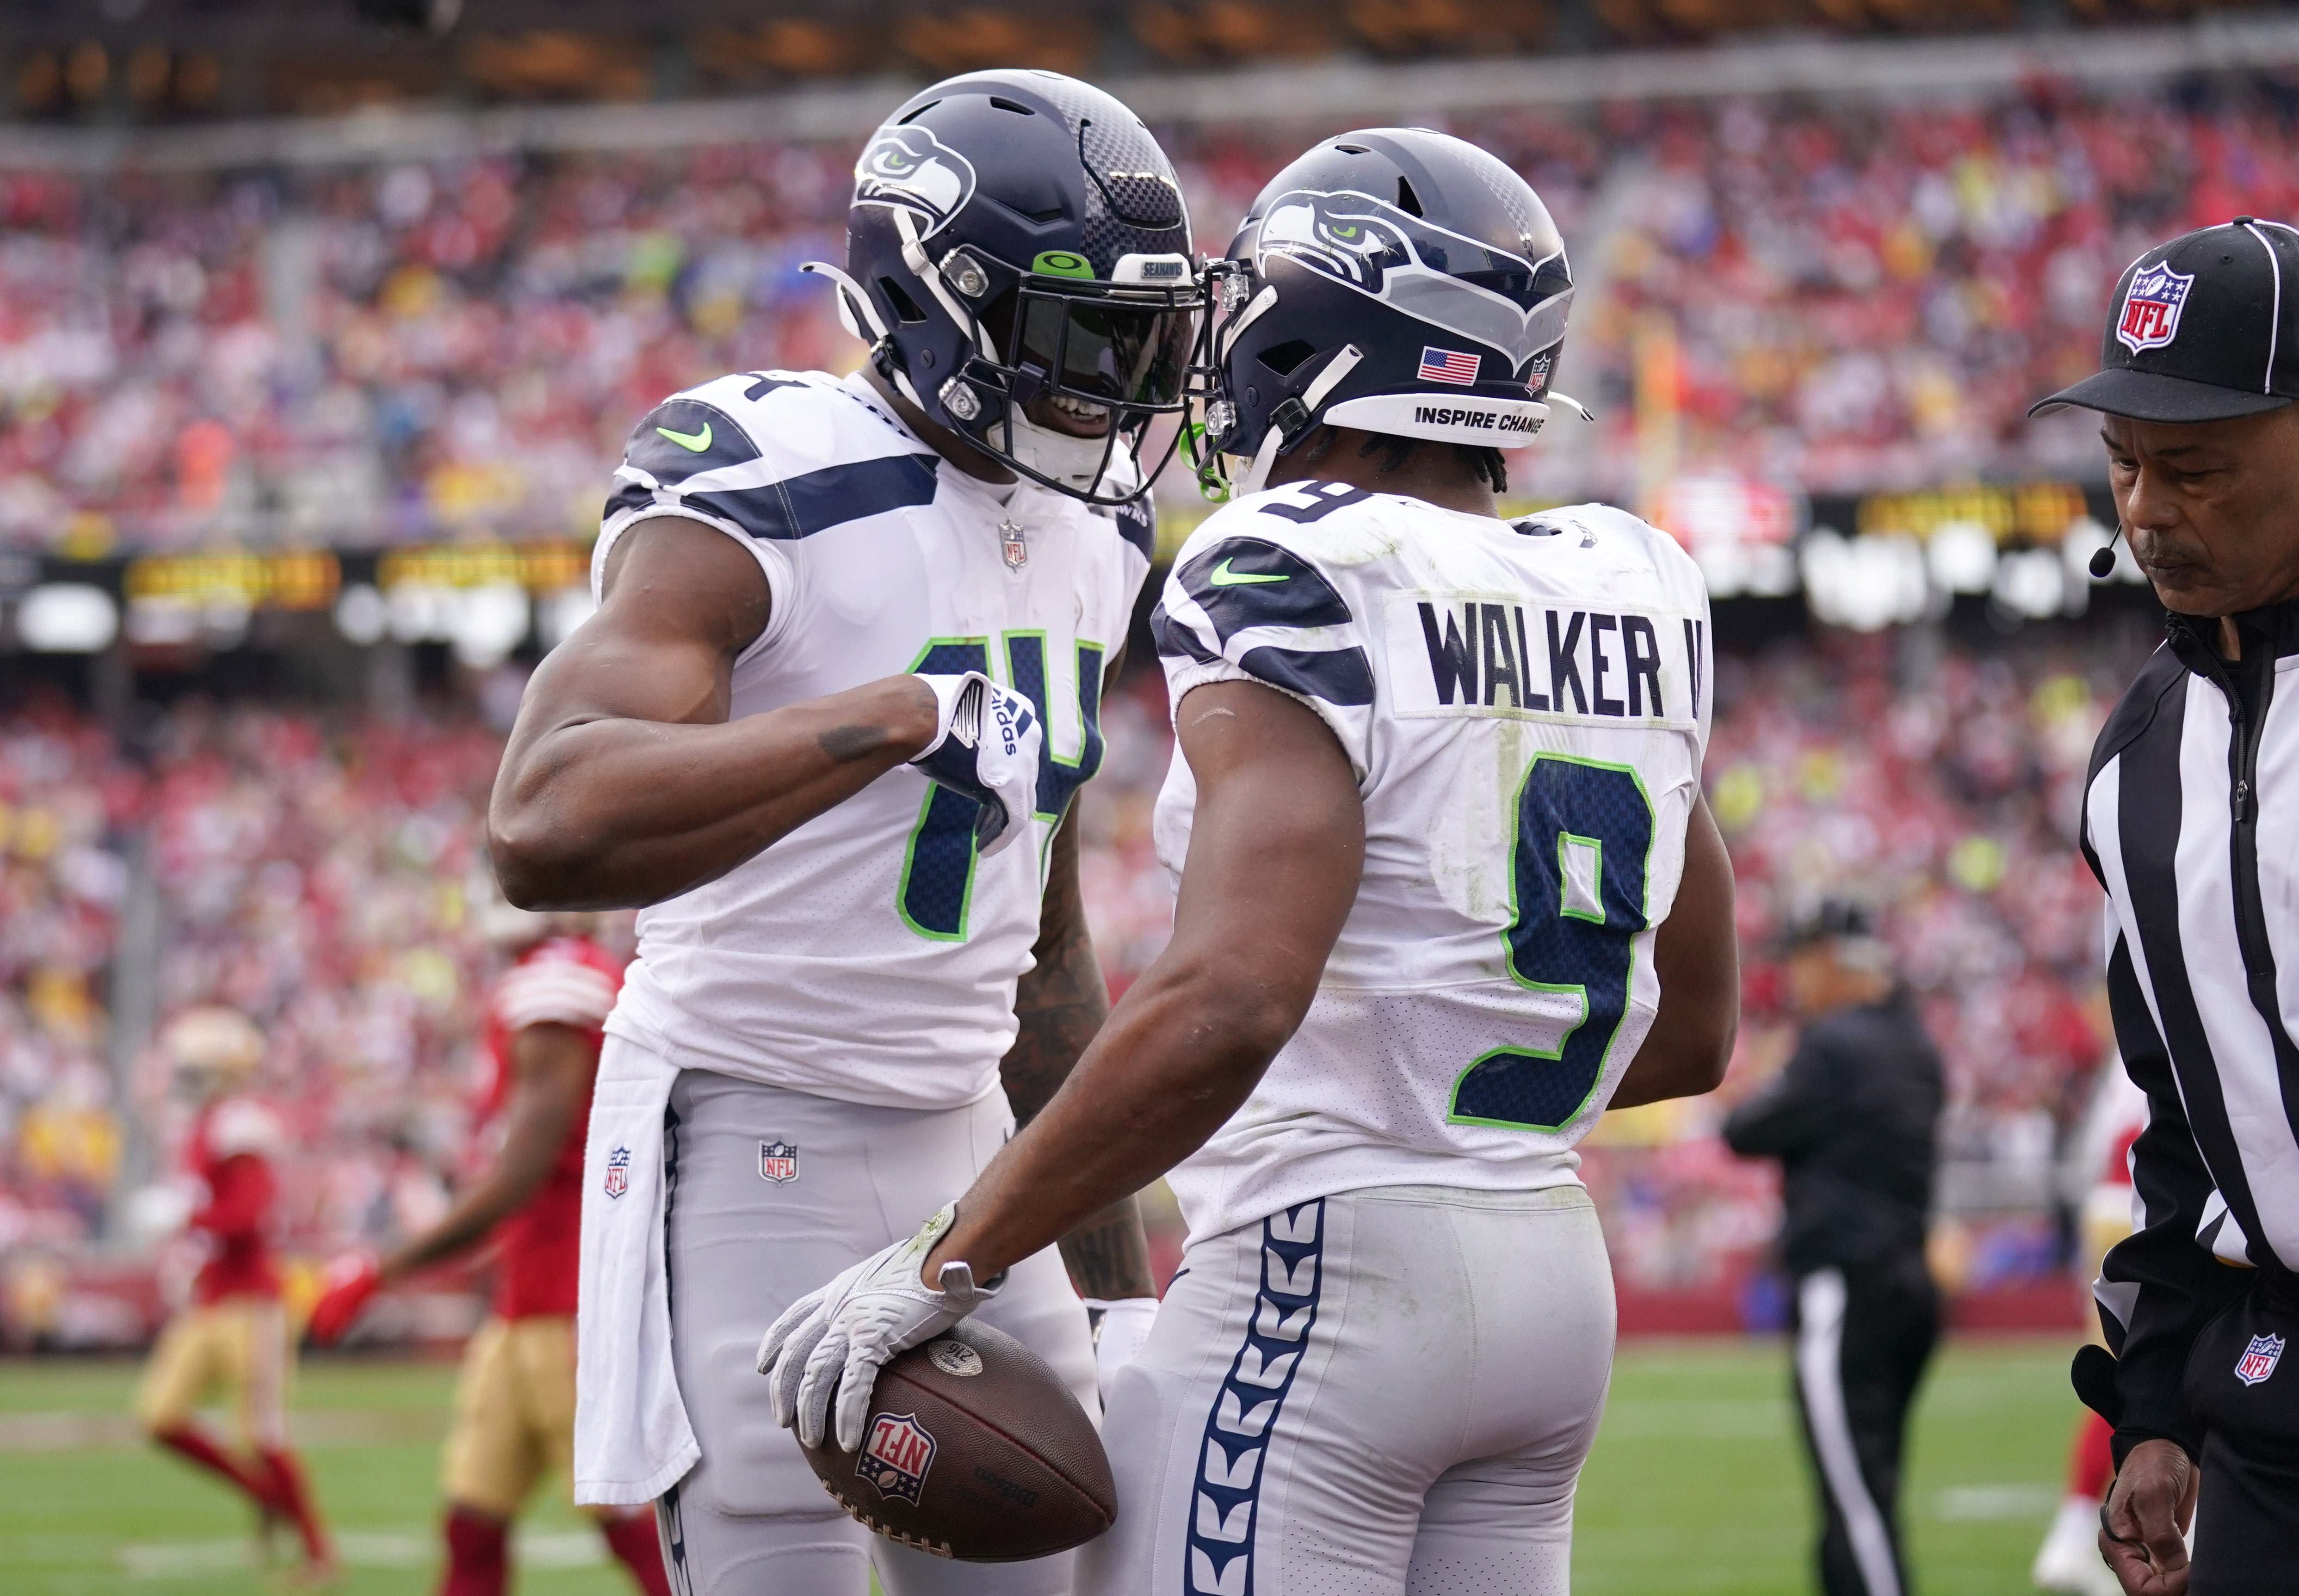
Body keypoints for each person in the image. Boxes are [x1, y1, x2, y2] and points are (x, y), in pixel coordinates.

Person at [761, 127, 1741, 1596]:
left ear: (1309, 334)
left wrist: (944, 1257)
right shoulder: (1633, 572)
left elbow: (1228, 1000)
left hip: (1333, 1279)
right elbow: (1697, 1026)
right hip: (1550, 1266)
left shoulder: (1288, 558)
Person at [485, 68, 1202, 1596]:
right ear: (933, 303)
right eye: (1083, 335)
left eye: (1144, 336)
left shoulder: (1096, 534)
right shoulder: (761, 476)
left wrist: (1113, 1282)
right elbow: (540, 823)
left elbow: (1040, 946)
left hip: (973, 1158)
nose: (1118, 386)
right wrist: (888, 719)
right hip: (754, 1135)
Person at [2031, 217, 2299, 1595]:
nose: (2146, 512)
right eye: (2124, 465)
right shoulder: (2136, 761)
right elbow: (2187, 1119)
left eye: (2194, 470)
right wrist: (2160, 1405)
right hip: (2287, 1417)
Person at [307, 887, 668, 1596]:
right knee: (474, 1517)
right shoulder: (562, 974)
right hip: (528, 1298)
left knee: (626, 1517)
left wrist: (378, 1271)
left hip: (573, 1299)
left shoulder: (556, 982)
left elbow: (521, 1174)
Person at [1721, 901, 1944, 1596]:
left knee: (1855, 1504)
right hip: (1907, 1279)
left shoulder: (1834, 1045)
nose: (1794, 978)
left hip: (1844, 1286)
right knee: (1862, 1488)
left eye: (1801, 960)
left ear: (1831, 958)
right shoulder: (1914, 1041)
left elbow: (1743, 1128)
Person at [136, 1005, 335, 1587]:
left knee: (266, 1435)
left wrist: (187, 1216)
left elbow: (247, 1216)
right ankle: (264, 1496)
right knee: (161, 1416)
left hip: (251, 1302)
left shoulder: (239, 1124)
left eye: (196, 1067)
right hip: (213, 1298)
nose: (186, 1077)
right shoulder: (206, 1124)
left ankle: (319, 1552)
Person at [2033, 1058, 2146, 1596]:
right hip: (2147, 1200)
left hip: (2110, 1199)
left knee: (2120, 1375)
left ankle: (2071, 1533)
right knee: (2177, 1371)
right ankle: (2083, 1536)